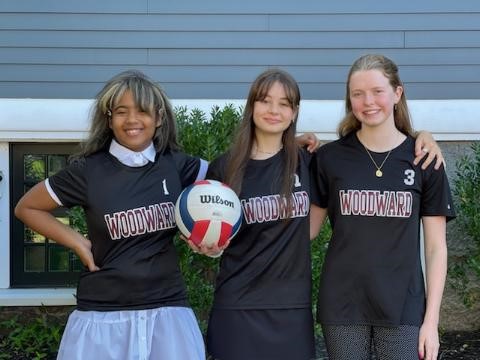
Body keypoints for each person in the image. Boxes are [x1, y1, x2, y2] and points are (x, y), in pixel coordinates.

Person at [187, 68, 445, 360]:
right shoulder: (225, 168)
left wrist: (424, 136)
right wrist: (208, 247)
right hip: (238, 304)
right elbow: (215, 232)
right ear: (251, 106)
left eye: (284, 103)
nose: (274, 110)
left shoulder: (309, 162)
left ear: (295, 111)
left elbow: (306, 227)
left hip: (292, 307)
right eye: (264, 101)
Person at [14, 70, 208, 360]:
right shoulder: (88, 171)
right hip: (104, 315)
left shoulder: (178, 166)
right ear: (109, 119)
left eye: (142, 111)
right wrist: (76, 241)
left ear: (158, 118)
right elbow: (26, 207)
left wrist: (288, 147)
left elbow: (239, 171)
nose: (132, 120)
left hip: (167, 312)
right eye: (121, 111)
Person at [310, 54, 456, 360]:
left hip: (403, 305)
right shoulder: (330, 159)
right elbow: (305, 230)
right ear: (349, 99)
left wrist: (431, 322)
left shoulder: (424, 161)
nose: (368, 101)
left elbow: (435, 248)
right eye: (358, 93)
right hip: (343, 304)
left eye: (378, 91)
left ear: (397, 93)